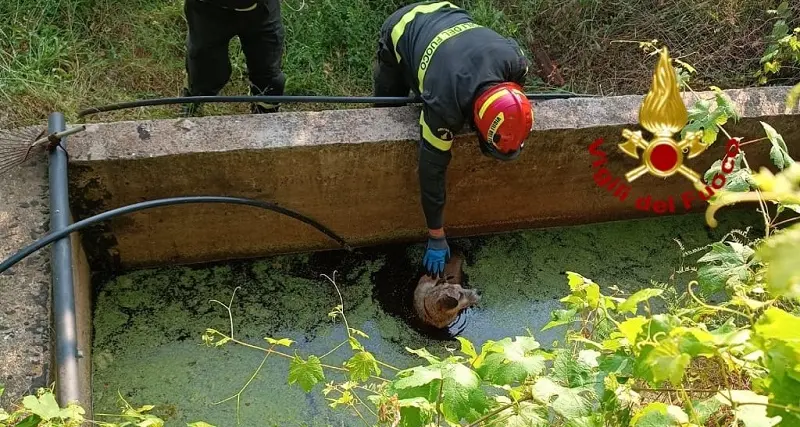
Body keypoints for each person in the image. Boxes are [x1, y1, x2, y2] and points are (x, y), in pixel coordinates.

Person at [372, 1, 535, 277]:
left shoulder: (516, 63)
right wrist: (436, 234)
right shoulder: (444, 106)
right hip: (403, 28)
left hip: (448, 12)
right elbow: (431, 169)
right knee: (389, 112)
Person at [181, 0, 286, 117]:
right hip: (207, 10)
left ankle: (266, 118)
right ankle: (192, 103)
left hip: (261, 10)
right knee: (204, 71)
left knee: (268, 75)